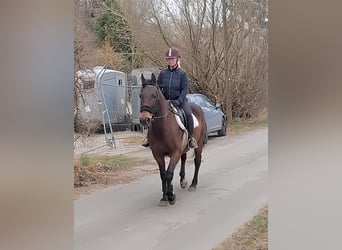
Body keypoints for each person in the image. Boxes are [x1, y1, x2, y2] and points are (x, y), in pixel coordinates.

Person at [142, 47, 198, 149]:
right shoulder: (163, 73)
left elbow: (184, 89)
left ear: (177, 59)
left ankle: (190, 138)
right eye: (168, 59)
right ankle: (148, 137)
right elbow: (157, 88)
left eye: (172, 58)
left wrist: (179, 101)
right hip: (165, 101)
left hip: (179, 101)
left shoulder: (182, 73)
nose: (170, 61)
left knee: (188, 114)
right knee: (153, 115)